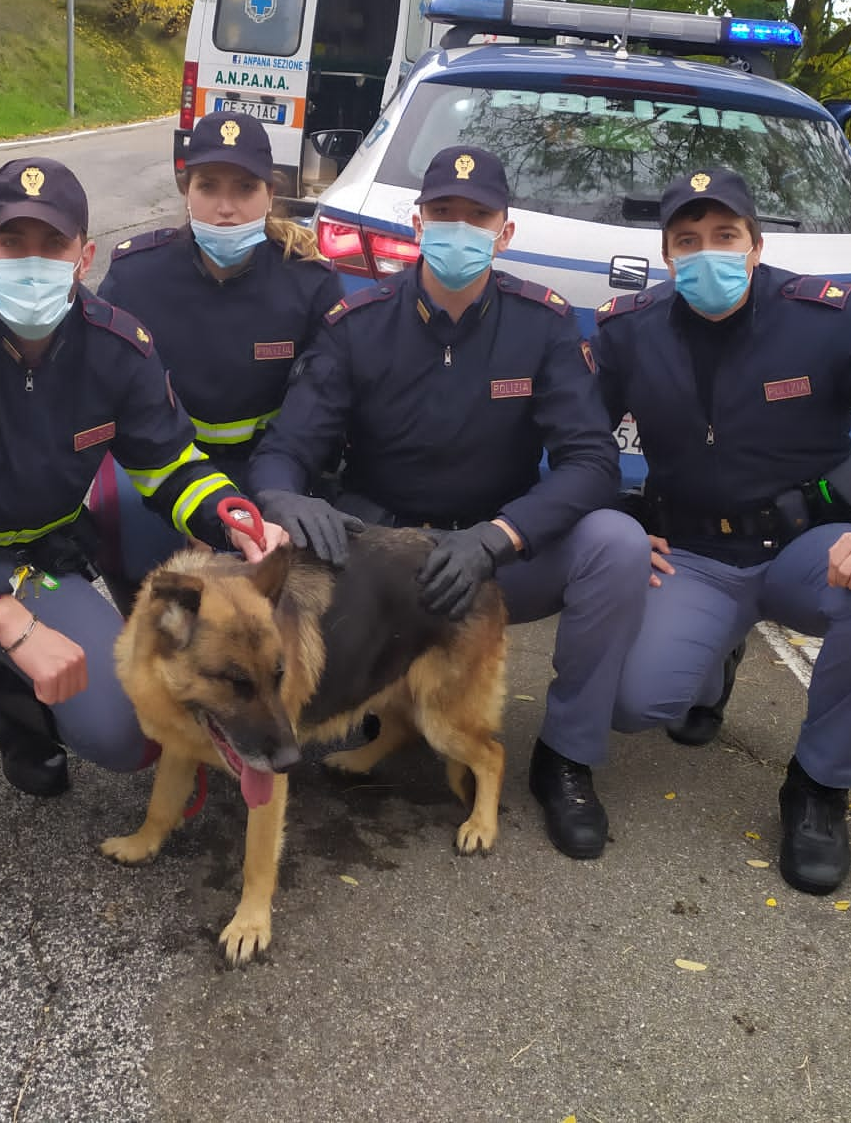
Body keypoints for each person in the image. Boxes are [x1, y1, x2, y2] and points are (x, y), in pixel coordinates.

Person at [0, 155, 284, 928]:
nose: (32, 261)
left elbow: (169, 464)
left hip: (30, 558)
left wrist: (234, 515)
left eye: (52, 244)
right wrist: (9, 621)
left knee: (131, 732)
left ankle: (17, 700)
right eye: (12, 240)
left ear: (84, 256)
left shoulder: (117, 346)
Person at [591, 167, 851, 895]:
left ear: (755, 245)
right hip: (695, 552)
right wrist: (614, 514)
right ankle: (715, 659)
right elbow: (580, 436)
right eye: (688, 240)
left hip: (811, 547)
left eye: (725, 236)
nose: (707, 252)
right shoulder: (631, 330)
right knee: (628, 703)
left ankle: (818, 788)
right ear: (666, 253)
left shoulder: (827, 318)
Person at [249, 144, 654, 861]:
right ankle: (370, 710)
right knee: (270, 549)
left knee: (616, 546)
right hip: (380, 555)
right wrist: (282, 497)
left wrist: (499, 536)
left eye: (477, 216)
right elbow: (287, 445)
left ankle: (566, 759)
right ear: (417, 222)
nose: (458, 228)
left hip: (494, 549)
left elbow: (591, 460)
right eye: (443, 213)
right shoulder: (359, 322)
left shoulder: (544, 324)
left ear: (504, 233)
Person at [94, 109, 341, 582]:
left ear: (271, 194)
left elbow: (312, 414)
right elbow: (108, 395)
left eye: (245, 188)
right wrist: (193, 508)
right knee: (127, 529)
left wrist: (269, 496)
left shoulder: (310, 284)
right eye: (208, 187)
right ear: (187, 192)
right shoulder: (136, 277)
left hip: (266, 463)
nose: (226, 208)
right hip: (160, 464)